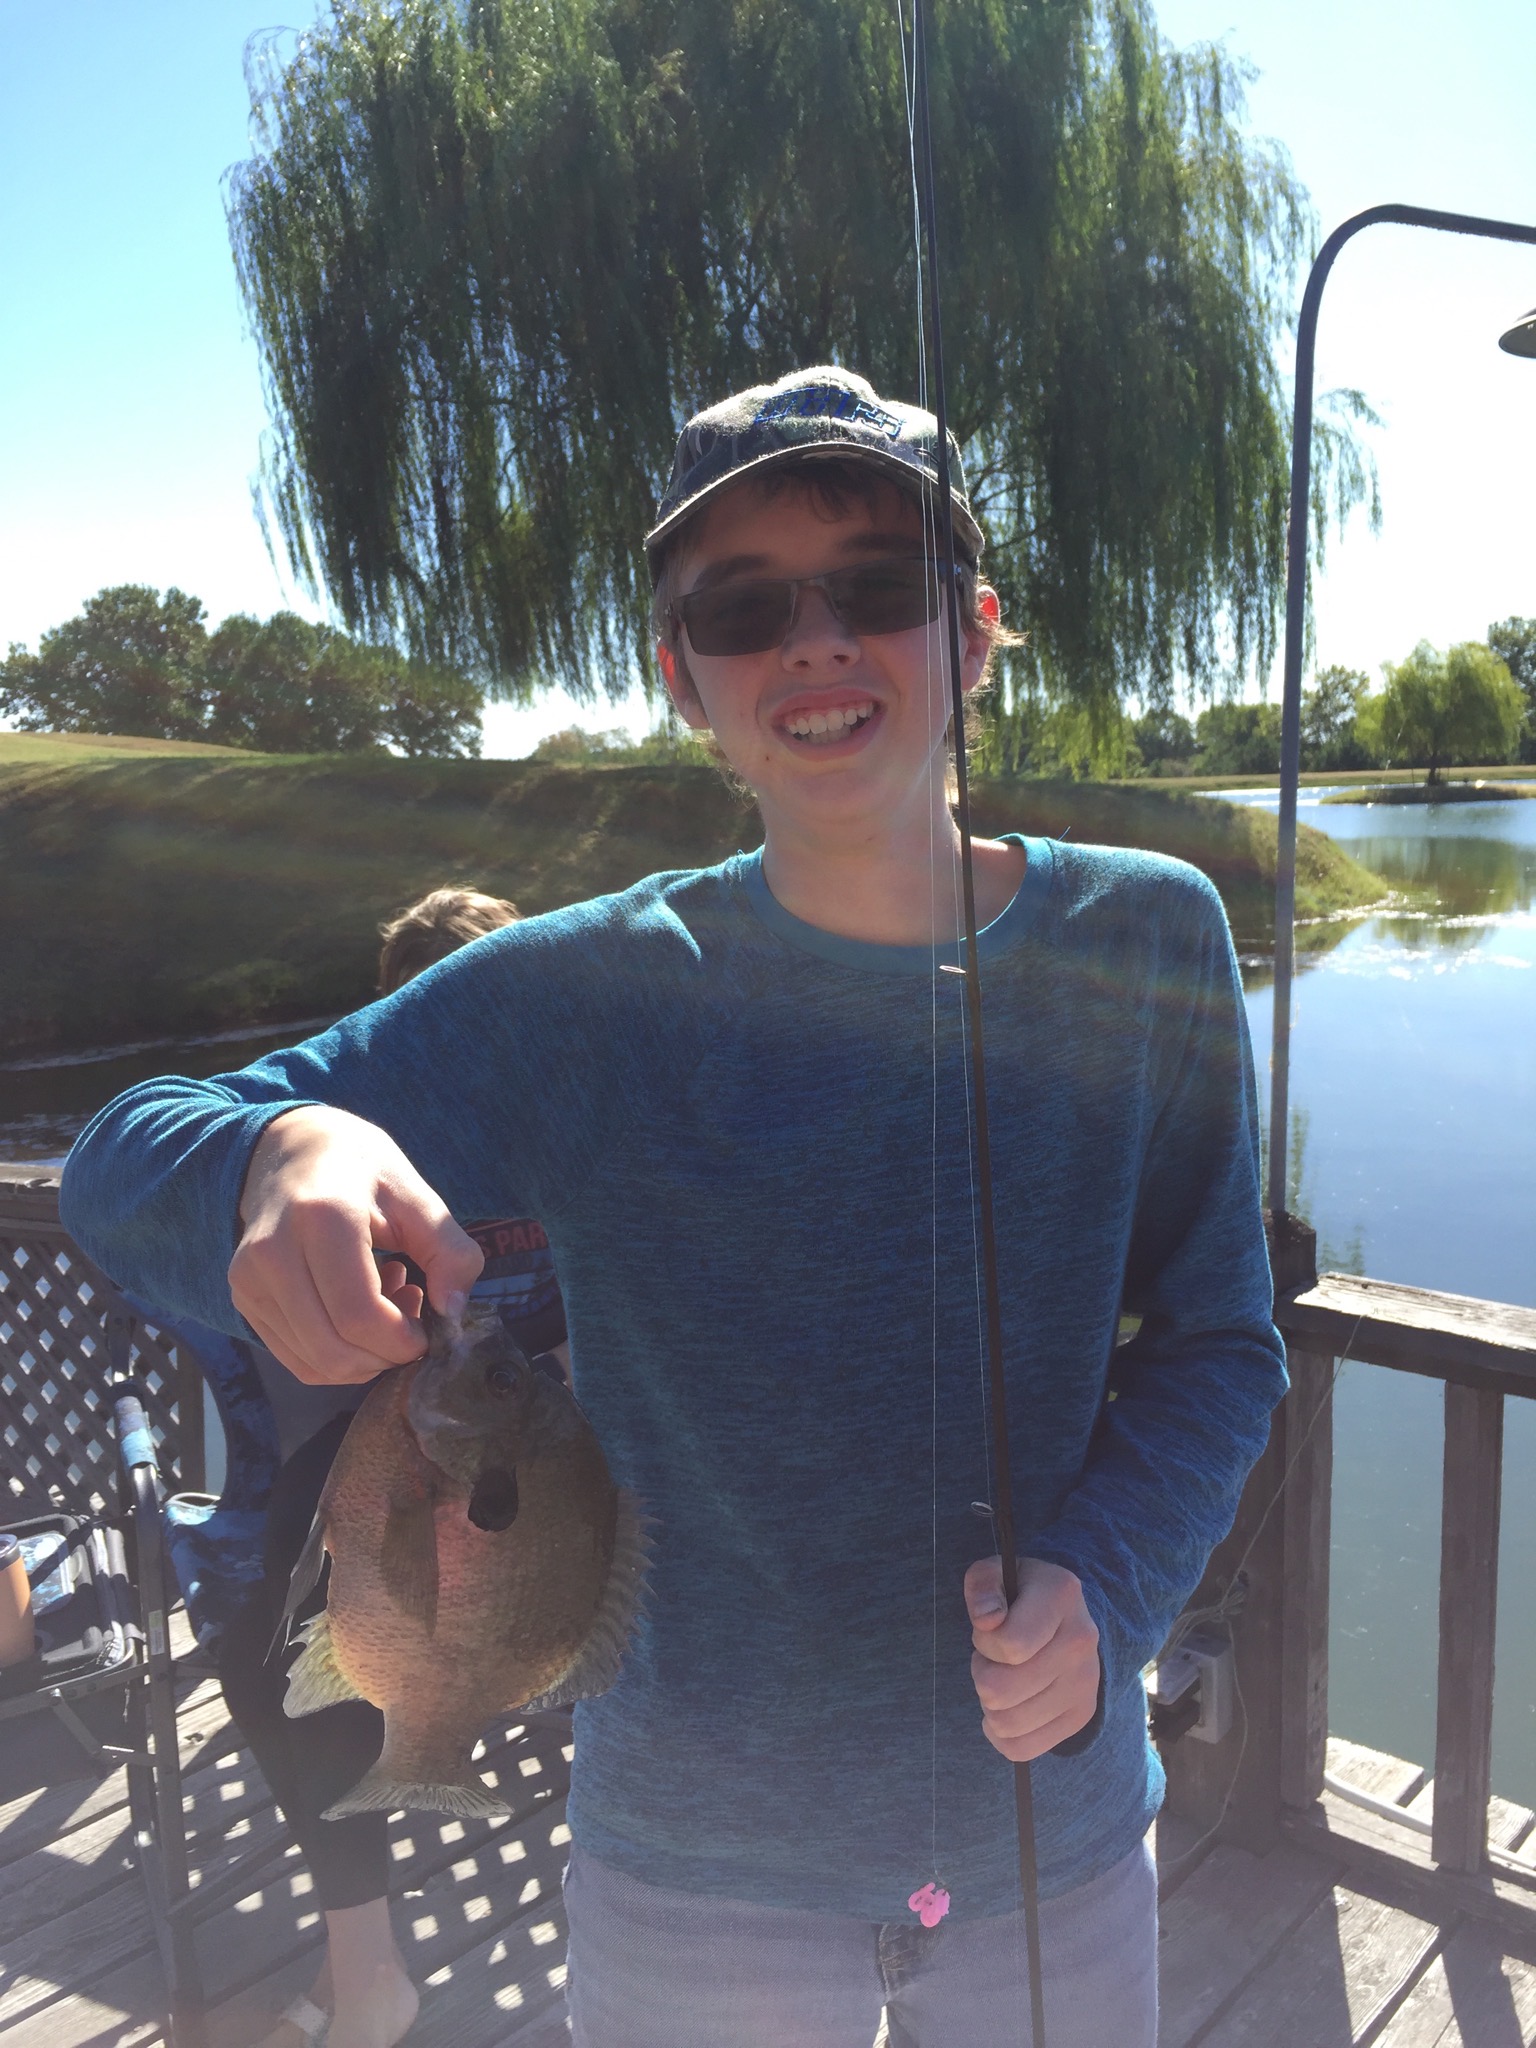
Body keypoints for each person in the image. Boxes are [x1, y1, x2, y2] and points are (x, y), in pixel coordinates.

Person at [63, 365, 1286, 2047]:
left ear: (978, 631)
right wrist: (277, 1156)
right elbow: (124, 1156)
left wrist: (1112, 1584)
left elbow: (1220, 1341)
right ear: (681, 677)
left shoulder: (1149, 936)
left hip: (1049, 1848)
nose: (815, 641)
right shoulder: (582, 993)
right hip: (688, 1885)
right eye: (742, 607)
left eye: (878, 586)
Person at [202, 884, 567, 2048]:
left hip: (560, 1448)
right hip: (401, 1427)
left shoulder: (589, 1113)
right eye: (424, 1015)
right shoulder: (355, 1139)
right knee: (272, 1649)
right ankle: (368, 1973)